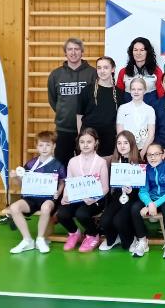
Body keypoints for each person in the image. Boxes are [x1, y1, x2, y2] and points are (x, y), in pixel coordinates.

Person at [7, 130, 66, 254]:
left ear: (54, 146)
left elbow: (62, 182)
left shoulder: (58, 165)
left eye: (48, 145)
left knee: (45, 208)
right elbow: (23, 184)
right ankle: (27, 240)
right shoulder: (30, 164)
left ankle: (40, 239)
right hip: (31, 198)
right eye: (41, 145)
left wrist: (59, 192)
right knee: (14, 207)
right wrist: (15, 177)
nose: (44, 148)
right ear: (37, 146)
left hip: (48, 199)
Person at [56, 128, 110, 252]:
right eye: (82, 142)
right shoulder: (73, 161)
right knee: (62, 214)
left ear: (96, 143)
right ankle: (74, 233)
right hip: (77, 197)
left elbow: (105, 188)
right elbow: (69, 182)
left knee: (82, 214)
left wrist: (93, 199)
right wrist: (65, 196)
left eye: (89, 142)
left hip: (96, 199)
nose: (85, 145)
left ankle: (93, 234)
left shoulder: (101, 162)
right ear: (78, 143)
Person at [47, 38, 95, 168]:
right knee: (62, 166)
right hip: (64, 130)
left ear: (82, 52)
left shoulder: (93, 73)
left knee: (86, 167)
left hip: (87, 129)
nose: (73, 52)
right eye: (70, 49)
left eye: (77, 49)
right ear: (65, 52)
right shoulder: (55, 75)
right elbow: (53, 100)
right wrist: (64, 112)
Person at [131, 143, 165, 259]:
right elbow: (143, 191)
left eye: (156, 154)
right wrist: (149, 203)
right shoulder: (145, 169)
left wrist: (153, 205)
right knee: (135, 208)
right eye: (149, 155)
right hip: (151, 199)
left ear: (163, 155)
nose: (152, 157)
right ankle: (142, 241)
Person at [99, 131, 142, 252]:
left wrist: (132, 190)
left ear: (131, 144)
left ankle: (131, 239)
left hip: (134, 198)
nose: (122, 146)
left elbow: (142, 187)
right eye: (119, 143)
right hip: (118, 197)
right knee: (104, 220)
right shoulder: (113, 162)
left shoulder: (139, 162)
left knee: (119, 220)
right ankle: (113, 238)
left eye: (125, 143)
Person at [77, 56, 124, 159]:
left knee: (106, 168)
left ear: (113, 69)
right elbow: (79, 116)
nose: (102, 71)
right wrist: (81, 136)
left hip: (108, 140)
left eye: (106, 67)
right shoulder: (87, 90)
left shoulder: (120, 94)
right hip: (89, 138)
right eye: (99, 68)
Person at [116, 76, 156, 160]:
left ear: (145, 90)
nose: (136, 92)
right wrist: (126, 151)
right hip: (126, 150)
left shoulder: (150, 110)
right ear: (130, 90)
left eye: (139, 89)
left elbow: (151, 135)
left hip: (143, 150)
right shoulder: (122, 108)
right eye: (133, 89)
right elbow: (120, 132)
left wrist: (142, 153)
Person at [116, 37, 164, 105]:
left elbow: (162, 96)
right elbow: (118, 96)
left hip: (151, 109)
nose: (138, 53)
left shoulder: (157, 71)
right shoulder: (123, 72)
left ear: (147, 52)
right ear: (131, 52)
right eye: (135, 50)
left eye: (142, 50)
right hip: (128, 110)